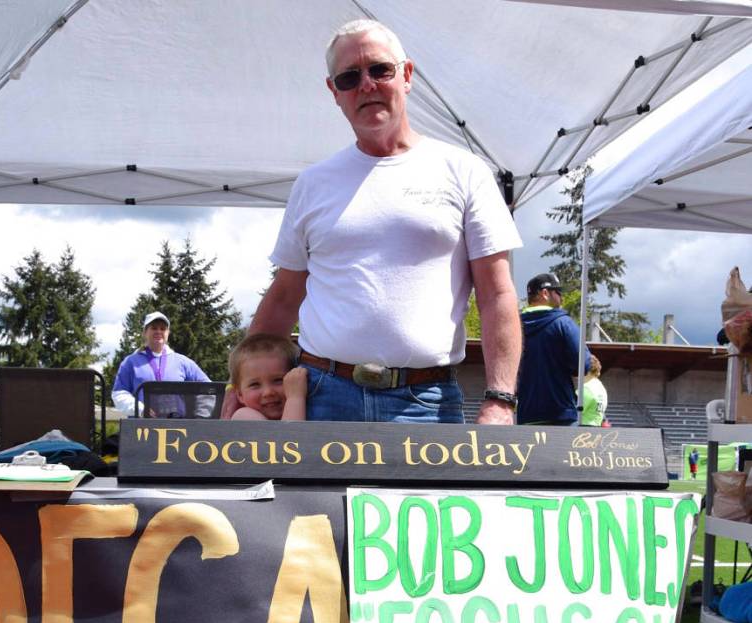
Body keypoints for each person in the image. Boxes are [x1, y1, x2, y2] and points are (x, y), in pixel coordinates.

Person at [244, 18, 523, 425]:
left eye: (380, 69)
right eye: (349, 77)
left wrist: (501, 399)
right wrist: (239, 388)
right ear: (334, 92)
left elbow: (497, 294)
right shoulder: (313, 182)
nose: (367, 85)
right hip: (321, 400)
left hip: (428, 405)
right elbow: (284, 296)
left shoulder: (465, 171)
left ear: (406, 75)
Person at [517, 272, 592, 426]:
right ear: (545, 293)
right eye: (558, 292)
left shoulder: (514, 326)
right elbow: (582, 365)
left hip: (526, 415)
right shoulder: (563, 323)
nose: (561, 297)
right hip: (560, 415)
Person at [111, 311, 209, 416]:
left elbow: (209, 390)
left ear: (168, 333)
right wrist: (141, 410)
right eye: (154, 328)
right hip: (141, 428)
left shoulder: (183, 362)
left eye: (163, 328)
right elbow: (119, 393)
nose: (158, 331)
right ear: (145, 332)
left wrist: (200, 416)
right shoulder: (130, 362)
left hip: (179, 428)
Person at [228, 333, 308, 421]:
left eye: (278, 380)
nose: (268, 392)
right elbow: (289, 434)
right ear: (240, 394)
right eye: (255, 384)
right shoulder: (244, 416)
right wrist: (295, 398)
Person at [581, 354, 608, 427]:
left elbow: (574, 413)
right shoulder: (602, 388)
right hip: (596, 429)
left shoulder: (585, 389)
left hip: (582, 432)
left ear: (587, 370)